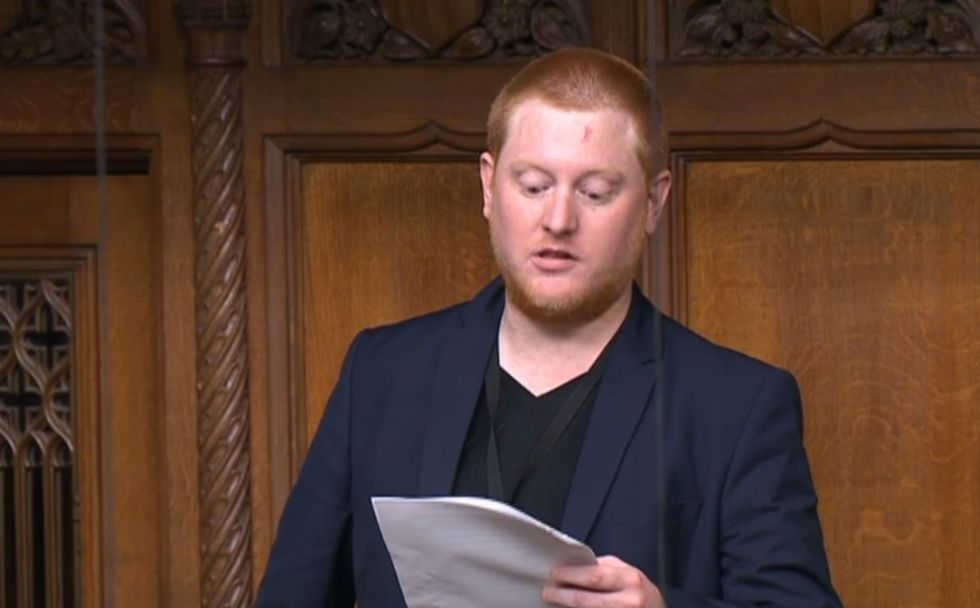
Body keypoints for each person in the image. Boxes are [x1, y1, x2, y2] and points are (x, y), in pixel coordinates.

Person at [256, 47, 842, 607]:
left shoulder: (738, 405)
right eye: (533, 186)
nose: (558, 220)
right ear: (489, 186)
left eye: (595, 192)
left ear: (654, 204)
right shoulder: (381, 373)